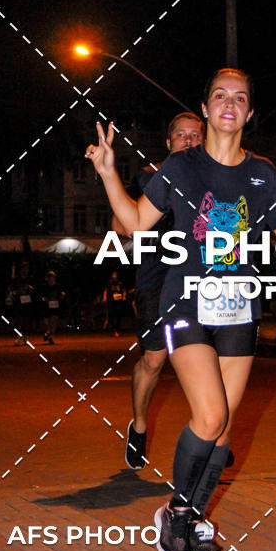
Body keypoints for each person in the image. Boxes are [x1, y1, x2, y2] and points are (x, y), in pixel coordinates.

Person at [86, 67, 276, 551]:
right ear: (205, 107)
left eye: (240, 97)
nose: (230, 103)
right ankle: (175, 512)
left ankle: (194, 519)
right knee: (210, 414)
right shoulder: (179, 167)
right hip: (183, 304)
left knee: (224, 427)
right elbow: (132, 222)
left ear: (249, 112)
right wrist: (109, 171)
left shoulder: (263, 173)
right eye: (220, 95)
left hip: (239, 307)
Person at [111, 113, 205, 471]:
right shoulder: (149, 177)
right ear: (169, 144)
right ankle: (139, 426)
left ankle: (216, 433)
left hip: (202, 281)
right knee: (154, 360)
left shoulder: (218, 178)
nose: (187, 140)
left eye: (195, 135)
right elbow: (122, 226)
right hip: (157, 282)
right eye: (180, 135)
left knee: (213, 357)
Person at [6, 261, 35, 346]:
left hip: (28, 302)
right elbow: (10, 289)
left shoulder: (30, 279)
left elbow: (34, 290)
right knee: (18, 320)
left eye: (27, 269)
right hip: (18, 302)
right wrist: (13, 292)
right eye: (24, 268)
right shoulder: (15, 279)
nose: (25, 270)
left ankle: (25, 336)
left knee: (26, 321)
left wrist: (31, 289)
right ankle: (19, 336)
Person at [39, 270, 64, 345]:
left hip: (55, 305)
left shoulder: (58, 286)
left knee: (54, 320)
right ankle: (48, 332)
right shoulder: (44, 286)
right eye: (49, 276)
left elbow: (61, 294)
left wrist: (62, 295)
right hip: (47, 306)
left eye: (52, 276)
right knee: (47, 322)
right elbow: (41, 296)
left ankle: (51, 337)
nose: (51, 278)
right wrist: (44, 299)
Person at [103, 271, 127, 337]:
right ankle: (114, 329)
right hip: (111, 301)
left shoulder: (120, 283)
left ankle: (117, 330)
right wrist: (104, 297)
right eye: (113, 277)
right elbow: (106, 290)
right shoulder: (109, 283)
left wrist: (124, 296)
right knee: (110, 316)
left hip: (118, 301)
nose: (114, 278)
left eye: (115, 277)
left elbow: (124, 290)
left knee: (118, 316)